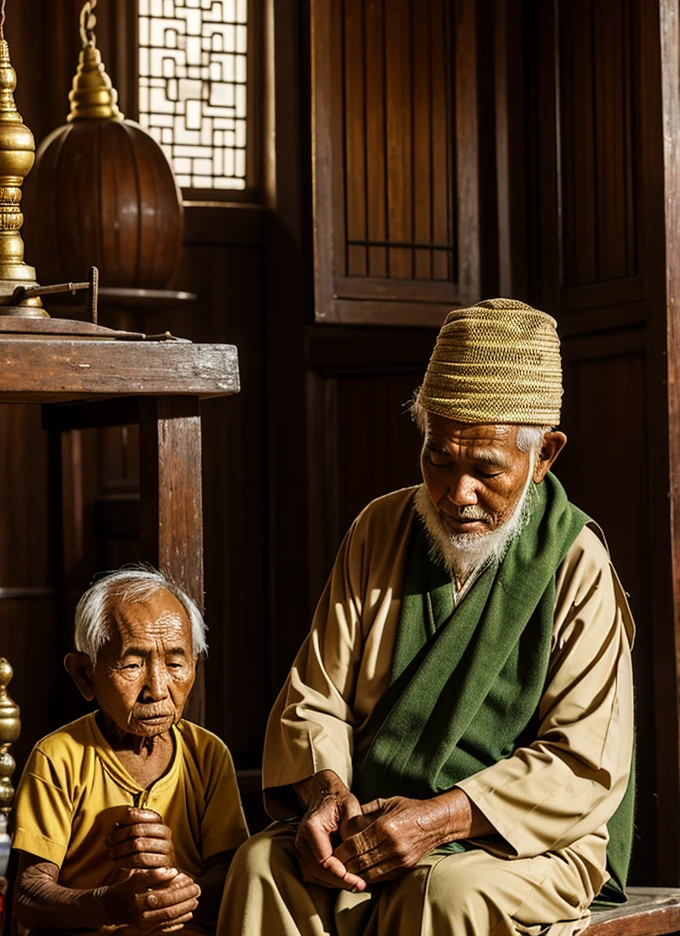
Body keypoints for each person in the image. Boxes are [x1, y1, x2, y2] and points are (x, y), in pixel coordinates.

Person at [219, 299, 635, 936]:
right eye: (439, 458)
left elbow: (582, 763)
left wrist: (439, 819)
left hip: (518, 840)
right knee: (261, 866)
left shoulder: (576, 562)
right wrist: (329, 796)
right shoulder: (379, 528)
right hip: (372, 821)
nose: (456, 492)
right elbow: (314, 697)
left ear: (544, 454)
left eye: (485, 469)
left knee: (444, 889)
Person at [12, 566, 249, 935]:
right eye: (133, 664)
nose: (156, 688)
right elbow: (28, 897)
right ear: (84, 675)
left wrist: (174, 883)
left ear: (194, 667)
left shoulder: (207, 754)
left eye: (174, 663)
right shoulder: (57, 757)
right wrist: (110, 904)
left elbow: (235, 881)